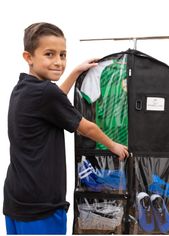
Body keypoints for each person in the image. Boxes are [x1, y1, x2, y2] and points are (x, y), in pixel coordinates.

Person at [3, 22, 129, 234]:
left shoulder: (23, 88)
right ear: (29, 57)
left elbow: (55, 102)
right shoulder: (46, 93)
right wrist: (113, 146)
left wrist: (75, 72)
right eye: (49, 54)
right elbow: (86, 127)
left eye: (63, 55)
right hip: (41, 204)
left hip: (17, 199)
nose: (58, 62)